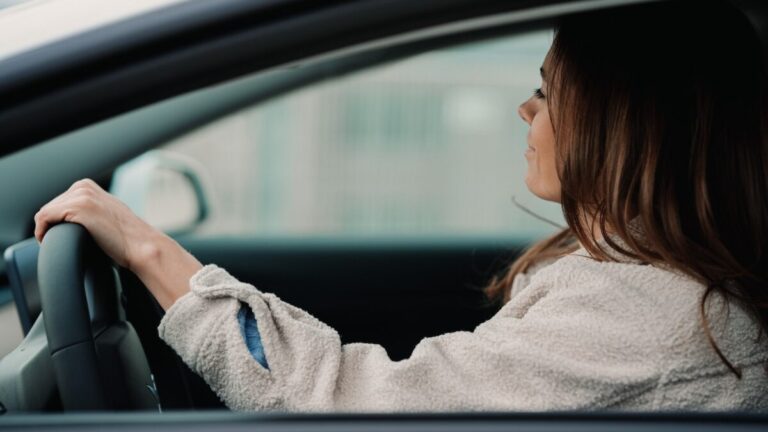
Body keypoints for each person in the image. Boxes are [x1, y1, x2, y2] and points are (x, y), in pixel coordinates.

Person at [33, 0, 768, 412]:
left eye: (548, 91)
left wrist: (148, 249)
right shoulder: (655, 288)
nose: (526, 109)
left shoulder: (655, 311)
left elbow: (345, 408)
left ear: (621, 121)